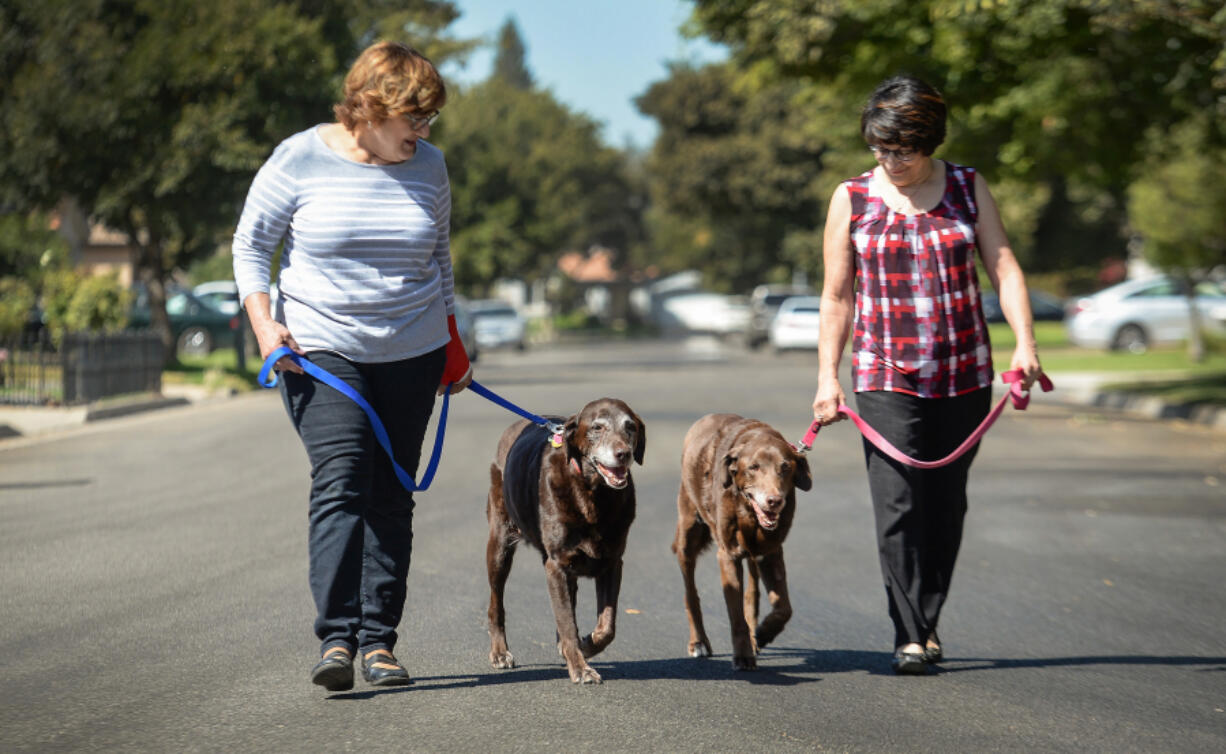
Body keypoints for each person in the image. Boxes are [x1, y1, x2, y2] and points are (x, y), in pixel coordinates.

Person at [232, 41, 472, 691]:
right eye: (413, 119)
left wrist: (453, 341)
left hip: (414, 349)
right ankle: (337, 638)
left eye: (429, 121)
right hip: (320, 349)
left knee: (392, 494)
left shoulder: (431, 167)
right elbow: (252, 245)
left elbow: (439, 260)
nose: (422, 134)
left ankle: (380, 642)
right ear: (368, 107)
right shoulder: (300, 157)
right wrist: (263, 325)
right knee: (342, 478)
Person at [811, 75, 1042, 675]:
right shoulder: (853, 197)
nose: (890, 162)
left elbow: (1003, 265)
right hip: (884, 373)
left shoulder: (967, 187)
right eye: (880, 149)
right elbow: (836, 296)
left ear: (929, 141)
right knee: (899, 501)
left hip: (963, 370)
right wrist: (827, 379)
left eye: (902, 151)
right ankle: (910, 634)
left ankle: (928, 620)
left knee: (945, 503)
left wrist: (1026, 344)